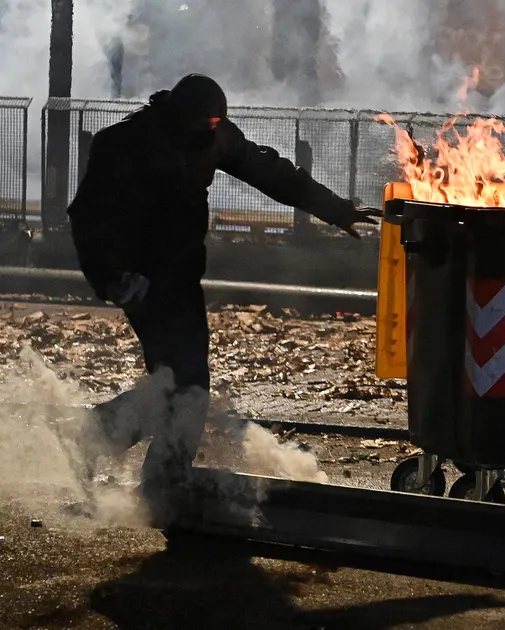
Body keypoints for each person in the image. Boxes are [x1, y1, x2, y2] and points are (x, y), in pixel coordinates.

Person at [65, 73, 380, 525]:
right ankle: (151, 473)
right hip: (143, 282)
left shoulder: (214, 135)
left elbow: (269, 171)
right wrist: (112, 277)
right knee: (186, 384)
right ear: (178, 116)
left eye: (215, 126)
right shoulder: (125, 143)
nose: (209, 136)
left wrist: (335, 209)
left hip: (180, 277)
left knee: (177, 383)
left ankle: (119, 451)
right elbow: (89, 217)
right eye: (203, 126)